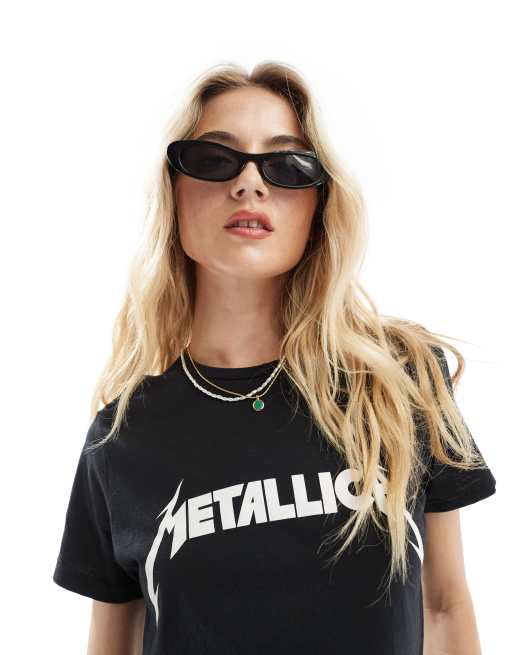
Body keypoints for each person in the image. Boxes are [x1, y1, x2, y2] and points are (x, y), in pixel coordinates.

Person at [52, 62, 497, 655]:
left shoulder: (399, 381)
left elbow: (444, 607)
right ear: (174, 192)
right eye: (215, 159)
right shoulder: (123, 437)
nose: (249, 183)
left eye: (286, 165)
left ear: (318, 205)